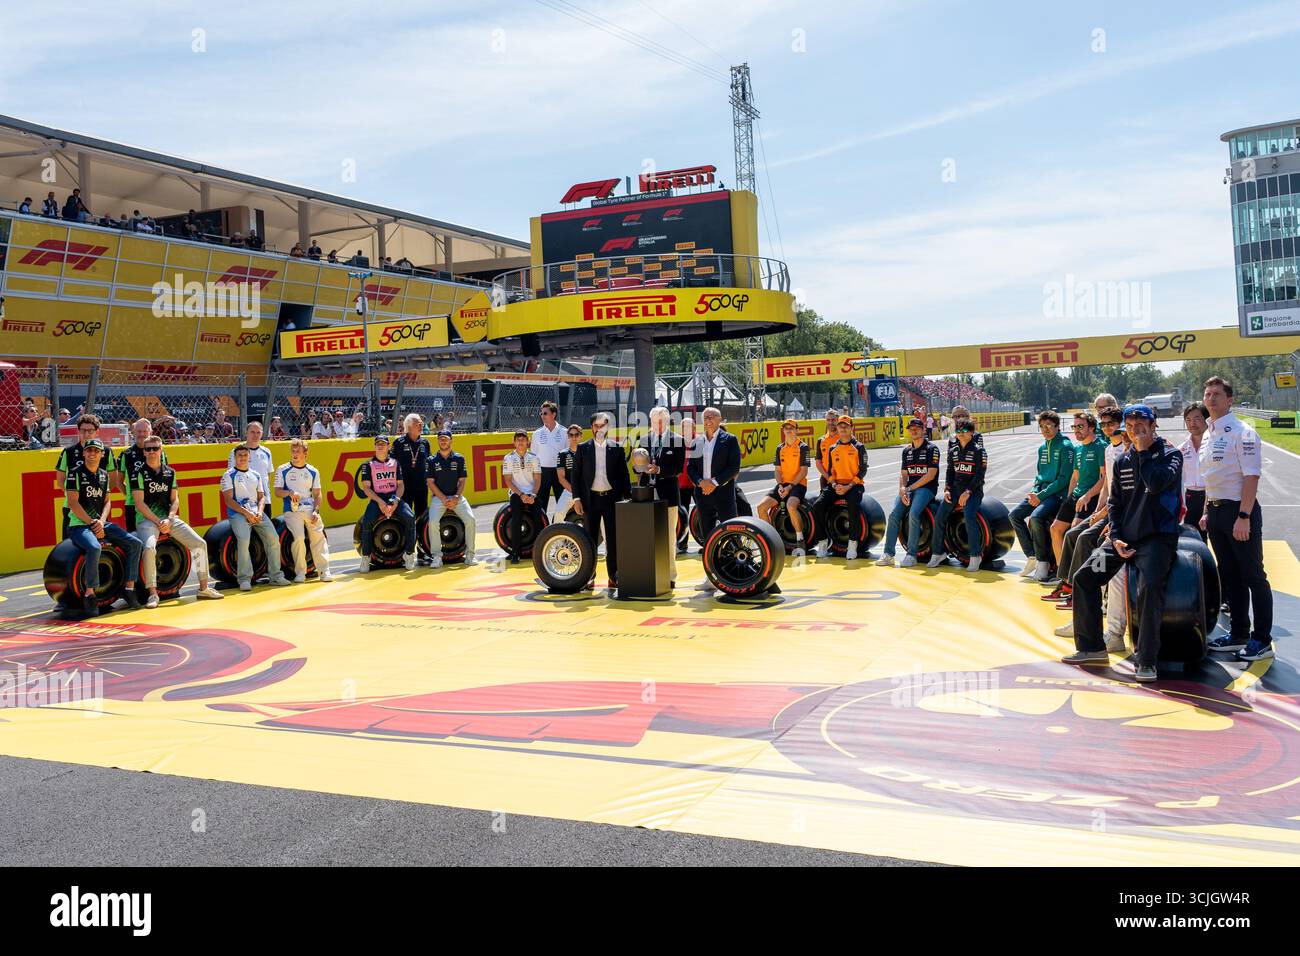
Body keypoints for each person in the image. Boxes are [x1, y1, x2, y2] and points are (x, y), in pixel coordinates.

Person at [1063, 404, 1182, 682]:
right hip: (1123, 538)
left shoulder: (1171, 455)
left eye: (1141, 425)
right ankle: (1092, 648)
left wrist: (1142, 452)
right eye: (1130, 426)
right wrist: (1115, 536)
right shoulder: (1122, 461)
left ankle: (1147, 660)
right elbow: (1115, 504)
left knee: (1149, 588)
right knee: (1084, 579)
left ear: (1154, 426)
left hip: (1157, 539)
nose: (1134, 430)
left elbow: (1155, 483)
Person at [1200, 376, 1273, 661]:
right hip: (1217, 512)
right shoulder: (1209, 433)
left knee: (1254, 576)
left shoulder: (1242, 431)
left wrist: (1243, 516)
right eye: (1207, 394)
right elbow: (1210, 477)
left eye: (1217, 394)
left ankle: (1262, 640)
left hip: (1239, 511)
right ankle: (1240, 633)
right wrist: (1207, 509)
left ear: (1229, 400)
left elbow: (1251, 475)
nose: (1211, 398)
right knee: (1230, 576)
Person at [132, 437, 223, 605]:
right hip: (147, 520)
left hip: (169, 519)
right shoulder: (138, 473)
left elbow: (175, 500)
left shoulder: (170, 472)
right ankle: (153, 593)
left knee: (200, 543)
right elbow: (139, 503)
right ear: (144, 452)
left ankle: (203, 588)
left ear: (161, 450)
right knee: (150, 548)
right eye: (148, 449)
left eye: (155, 448)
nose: (151, 452)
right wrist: (159, 521)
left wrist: (170, 518)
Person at [64, 439, 142, 616]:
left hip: (100, 522)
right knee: (94, 547)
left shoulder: (104, 475)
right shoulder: (74, 473)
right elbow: (73, 503)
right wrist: (92, 522)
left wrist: (101, 521)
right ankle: (90, 594)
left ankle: (129, 589)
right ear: (84, 453)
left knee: (135, 544)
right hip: (79, 525)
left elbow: (107, 502)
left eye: (96, 451)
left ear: (102, 454)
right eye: (89, 450)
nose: (92, 453)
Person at [1010, 410, 1074, 582]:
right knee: (1014, 515)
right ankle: (1032, 556)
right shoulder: (1042, 448)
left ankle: (1044, 562)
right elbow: (1040, 475)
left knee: (1036, 517)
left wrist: (1041, 495)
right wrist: (1034, 492)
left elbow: (1064, 480)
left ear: (1057, 427)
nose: (1045, 430)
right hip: (1042, 493)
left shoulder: (1066, 447)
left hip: (1057, 495)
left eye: (1048, 426)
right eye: (1042, 427)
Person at [1044, 411, 1106, 587]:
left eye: (1081, 426)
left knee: (1074, 530)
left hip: (1091, 497)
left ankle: (1075, 582)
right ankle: (1062, 577)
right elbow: (1075, 476)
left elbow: (1104, 479)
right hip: (1076, 496)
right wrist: (1070, 498)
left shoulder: (1100, 447)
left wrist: (1087, 495)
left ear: (1091, 427)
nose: (1077, 430)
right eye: (1074, 426)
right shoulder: (1078, 448)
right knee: (1055, 529)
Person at [572, 412, 630, 590]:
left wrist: (627, 499)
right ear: (592, 428)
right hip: (590, 501)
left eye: (602, 425)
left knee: (613, 540)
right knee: (590, 540)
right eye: (596, 426)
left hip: (611, 500)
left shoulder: (617, 448)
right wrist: (576, 499)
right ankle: (589, 576)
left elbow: (624, 476)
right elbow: (575, 476)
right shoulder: (582, 449)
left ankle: (614, 576)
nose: (599, 429)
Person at [221, 445, 290, 591]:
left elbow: (261, 497)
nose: (242, 458)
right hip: (238, 514)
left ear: (249, 457)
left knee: (273, 537)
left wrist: (259, 512)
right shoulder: (228, 475)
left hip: (256, 512)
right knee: (244, 540)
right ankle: (244, 579)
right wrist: (246, 513)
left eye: (245, 455)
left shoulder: (256, 475)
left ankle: (276, 576)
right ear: (234, 457)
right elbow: (228, 500)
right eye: (239, 455)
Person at [688, 407, 741, 590]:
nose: (708, 420)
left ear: (719, 420)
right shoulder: (697, 442)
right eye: (705, 417)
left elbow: (733, 467)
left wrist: (715, 483)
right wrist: (701, 483)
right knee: (707, 537)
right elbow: (690, 468)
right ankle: (710, 577)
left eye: (711, 417)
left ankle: (736, 573)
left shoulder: (730, 440)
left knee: (732, 533)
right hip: (703, 495)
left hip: (723, 494)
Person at [928, 417, 988, 571]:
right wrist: (947, 489)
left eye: (964, 431)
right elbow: (949, 472)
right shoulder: (953, 451)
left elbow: (980, 476)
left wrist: (968, 492)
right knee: (940, 516)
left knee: (969, 515)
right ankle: (938, 553)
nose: (960, 433)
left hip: (973, 491)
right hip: (954, 490)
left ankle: (975, 556)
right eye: (958, 431)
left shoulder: (979, 451)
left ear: (972, 433)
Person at [880, 417, 940, 567]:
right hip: (909, 489)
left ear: (923, 430)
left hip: (926, 489)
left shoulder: (932, 449)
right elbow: (904, 474)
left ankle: (912, 555)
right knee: (894, 515)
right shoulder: (907, 450)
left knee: (913, 513)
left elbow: (931, 475)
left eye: (917, 428)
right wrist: (902, 489)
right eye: (911, 428)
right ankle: (888, 554)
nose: (913, 431)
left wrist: (909, 489)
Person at [273, 439, 333, 583]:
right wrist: (290, 493)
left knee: (318, 535)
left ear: (305, 453)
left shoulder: (313, 471)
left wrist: (316, 511)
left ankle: (324, 571)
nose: (295, 454)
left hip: (310, 509)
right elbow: (277, 492)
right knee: (299, 538)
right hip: (292, 511)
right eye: (293, 451)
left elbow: (318, 494)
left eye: (298, 451)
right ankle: (300, 572)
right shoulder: (283, 469)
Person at [811, 416, 869, 560]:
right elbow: (830, 471)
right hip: (836, 485)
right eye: (840, 426)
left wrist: (848, 486)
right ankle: (823, 542)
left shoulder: (859, 447)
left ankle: (852, 543)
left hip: (854, 485)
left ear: (851, 428)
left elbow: (862, 470)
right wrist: (835, 484)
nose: (843, 429)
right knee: (817, 505)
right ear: (837, 428)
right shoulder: (832, 448)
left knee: (853, 505)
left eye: (846, 426)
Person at [357, 435, 417, 572]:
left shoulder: (395, 463)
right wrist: (380, 502)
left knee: (410, 517)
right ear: (374, 446)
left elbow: (401, 485)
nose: (380, 446)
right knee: (367, 521)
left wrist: (396, 500)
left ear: (388, 446)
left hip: (393, 496)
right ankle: (366, 557)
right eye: (377, 443)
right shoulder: (368, 465)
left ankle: (409, 554)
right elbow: (366, 488)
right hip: (377, 498)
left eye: (383, 444)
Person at [56, 414, 116, 539]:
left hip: (98, 507)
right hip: (72, 507)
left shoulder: (107, 451)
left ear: (97, 432)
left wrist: (96, 496)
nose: (86, 434)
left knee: (100, 543)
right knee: (70, 545)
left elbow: (113, 480)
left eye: (90, 430)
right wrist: (76, 498)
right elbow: (60, 481)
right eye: (83, 430)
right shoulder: (68, 452)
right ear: (78, 431)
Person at [644, 406, 686, 585]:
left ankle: (670, 576)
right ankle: (649, 572)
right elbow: (635, 465)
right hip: (647, 493)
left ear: (668, 421)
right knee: (647, 535)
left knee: (668, 536)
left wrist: (659, 469)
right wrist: (639, 466)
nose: (658, 424)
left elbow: (678, 468)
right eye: (654, 421)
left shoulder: (677, 440)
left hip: (668, 494)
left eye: (661, 421)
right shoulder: (644, 439)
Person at [757, 420, 809, 557]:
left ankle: (800, 540)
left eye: (791, 428)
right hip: (783, 485)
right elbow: (777, 470)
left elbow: (803, 471)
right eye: (786, 428)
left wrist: (790, 486)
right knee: (761, 507)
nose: (788, 430)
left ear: (797, 429)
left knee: (791, 506)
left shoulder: (803, 447)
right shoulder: (780, 448)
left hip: (798, 485)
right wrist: (780, 485)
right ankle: (772, 540)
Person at [425, 429, 477, 568]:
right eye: (441, 438)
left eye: (446, 438)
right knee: (434, 522)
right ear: (438, 441)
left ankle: (470, 555)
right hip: (438, 499)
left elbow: (462, 481)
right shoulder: (431, 460)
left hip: (457, 497)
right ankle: (437, 557)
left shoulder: (459, 458)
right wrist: (443, 499)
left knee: (470, 520)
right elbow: (430, 482)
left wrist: (456, 497)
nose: (443, 441)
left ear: (451, 440)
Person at [393, 414, 433, 563]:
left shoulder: (426, 443)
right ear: (409, 426)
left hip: (421, 487)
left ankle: (422, 551)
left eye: (422, 423)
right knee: (406, 519)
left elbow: (429, 462)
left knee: (422, 519)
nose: (421, 425)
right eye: (418, 423)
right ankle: (406, 551)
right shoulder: (398, 442)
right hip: (404, 488)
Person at [501, 430, 542, 565]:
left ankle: (539, 551)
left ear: (527, 441)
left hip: (532, 494)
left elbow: (537, 479)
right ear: (514, 442)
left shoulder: (534, 457)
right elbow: (508, 481)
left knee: (538, 520)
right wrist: (521, 495)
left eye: (523, 439)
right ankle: (515, 553)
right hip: (516, 494)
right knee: (516, 521)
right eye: (518, 440)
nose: (520, 442)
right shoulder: (508, 458)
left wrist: (533, 495)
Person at [118, 418, 166, 533]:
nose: (142, 434)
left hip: (157, 505)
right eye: (139, 431)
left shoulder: (160, 453)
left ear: (151, 432)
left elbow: (165, 479)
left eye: (145, 431)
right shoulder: (126, 454)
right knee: (136, 540)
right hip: (133, 506)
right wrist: (132, 494)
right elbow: (119, 482)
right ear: (133, 432)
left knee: (159, 540)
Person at [532, 400, 568, 519]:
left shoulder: (564, 432)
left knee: (563, 504)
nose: (543, 416)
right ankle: (542, 531)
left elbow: (567, 455)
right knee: (541, 505)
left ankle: (563, 531)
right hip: (543, 473)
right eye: (541, 414)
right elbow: (533, 456)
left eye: (545, 413)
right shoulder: (537, 434)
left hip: (560, 472)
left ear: (553, 414)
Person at [228, 421, 274, 513]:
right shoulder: (236, 452)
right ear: (246, 433)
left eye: (258, 432)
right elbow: (231, 476)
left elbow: (267, 475)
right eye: (252, 432)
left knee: (266, 527)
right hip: (244, 502)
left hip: (264, 500)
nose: (255, 435)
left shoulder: (266, 452)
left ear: (262, 434)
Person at [1179, 401, 1209, 540]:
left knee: (1217, 541)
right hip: (1190, 498)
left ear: (1206, 419)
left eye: (1197, 418)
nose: (1192, 423)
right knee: (1195, 541)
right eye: (1188, 420)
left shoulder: (1216, 444)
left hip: (1212, 497)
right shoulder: (1182, 449)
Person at [552, 424, 582, 521]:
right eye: (571, 435)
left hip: (586, 490)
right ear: (568, 436)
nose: (574, 437)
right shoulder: (562, 454)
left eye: (576, 435)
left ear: (581, 436)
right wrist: (575, 492)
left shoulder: (587, 452)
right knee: (558, 514)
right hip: (569, 491)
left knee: (600, 514)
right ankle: (558, 536)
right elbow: (561, 478)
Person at [676, 417, 696, 554]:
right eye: (684, 427)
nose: (687, 429)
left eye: (689, 427)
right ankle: (682, 544)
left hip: (697, 483)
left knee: (705, 513)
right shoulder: (676, 442)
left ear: (694, 428)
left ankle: (708, 541)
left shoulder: (700, 440)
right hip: (681, 484)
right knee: (682, 516)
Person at [813, 409, 839, 494]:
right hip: (825, 478)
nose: (830, 422)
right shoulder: (821, 440)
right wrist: (827, 476)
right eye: (828, 420)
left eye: (833, 420)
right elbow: (818, 461)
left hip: (841, 477)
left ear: (838, 420)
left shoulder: (843, 438)